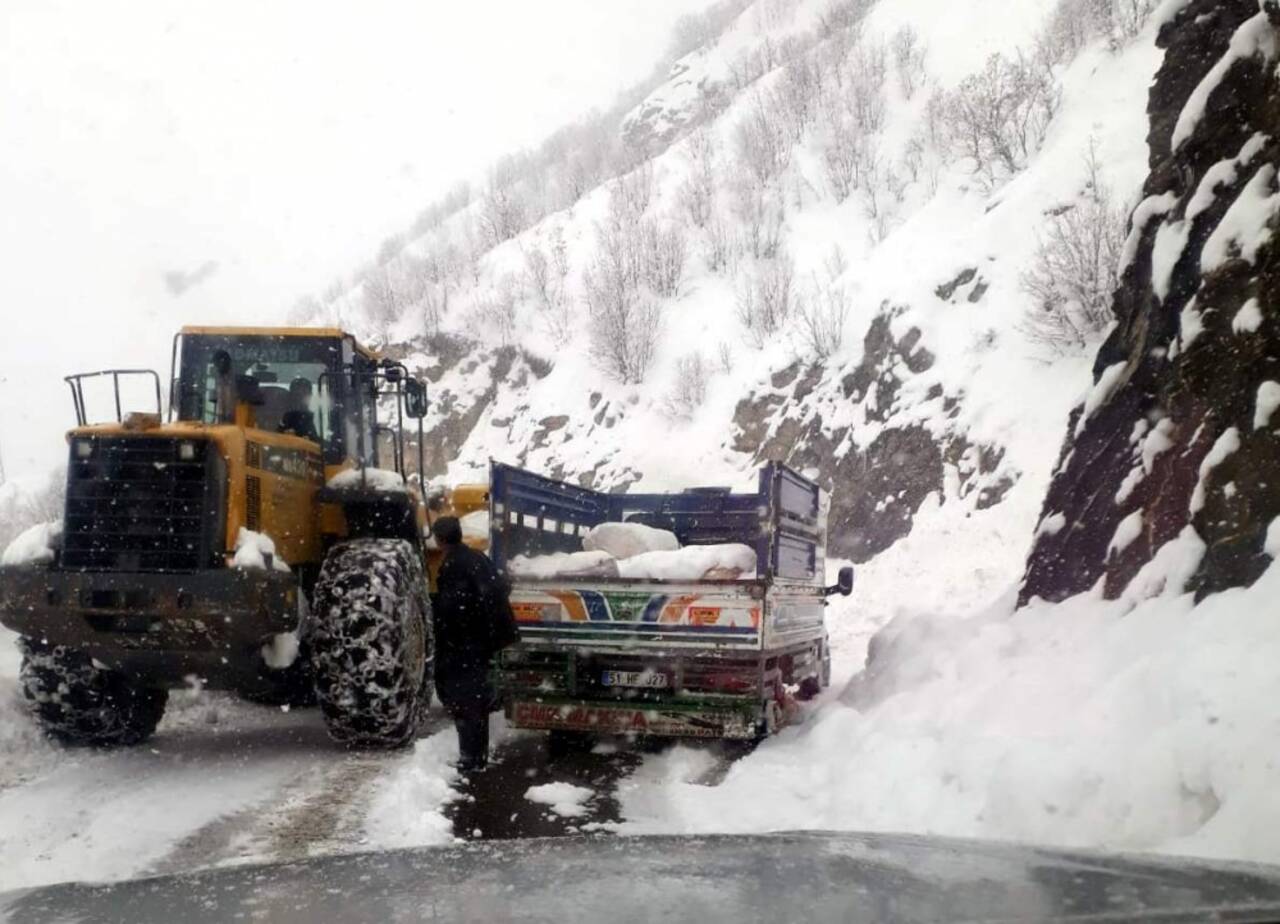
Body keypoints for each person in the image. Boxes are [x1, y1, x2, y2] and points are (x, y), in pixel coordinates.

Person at [430, 516, 518, 772]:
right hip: (485, 641)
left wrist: (446, 640)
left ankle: (471, 760)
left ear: (439, 539)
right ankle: (477, 756)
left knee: (466, 703)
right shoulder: (477, 557)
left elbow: (452, 611)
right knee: (476, 702)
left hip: (467, 645)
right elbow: (500, 587)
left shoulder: (454, 565)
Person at [278, 376, 320, 443]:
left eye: (305, 393)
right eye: (298, 394)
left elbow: (314, 441)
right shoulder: (288, 417)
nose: (301, 397)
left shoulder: (307, 416)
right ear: (291, 396)